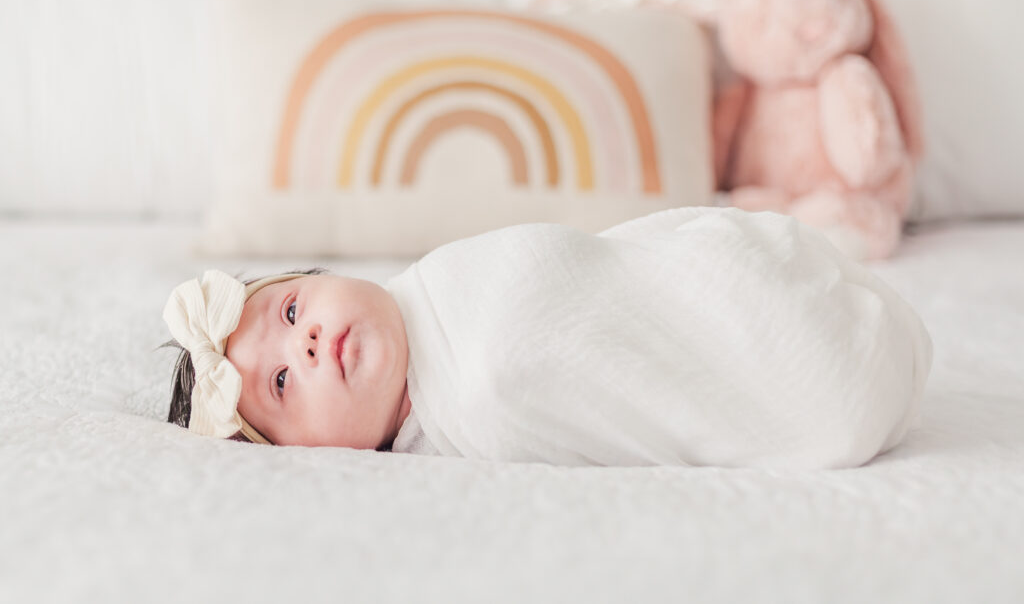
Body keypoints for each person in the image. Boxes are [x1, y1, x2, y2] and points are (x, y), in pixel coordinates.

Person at [163, 206, 932, 469]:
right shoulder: (460, 411)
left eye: (293, 310)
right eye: (282, 386)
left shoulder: (444, 283)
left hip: (718, 278)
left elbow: (593, 275)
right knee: (828, 387)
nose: (304, 344)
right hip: (810, 386)